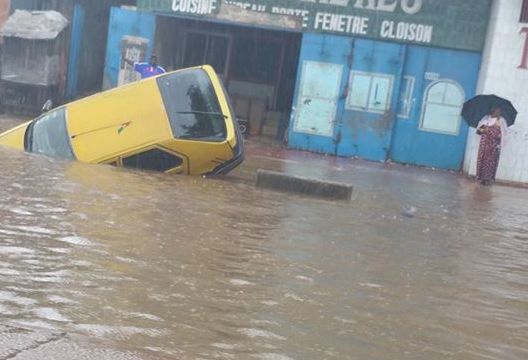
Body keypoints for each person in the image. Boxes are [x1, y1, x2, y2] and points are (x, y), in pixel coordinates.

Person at [475, 107, 508, 185]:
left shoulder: (501, 121)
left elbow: (504, 134)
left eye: (499, 111)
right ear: (492, 112)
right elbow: (478, 132)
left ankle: (488, 179)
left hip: (493, 146)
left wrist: (497, 135)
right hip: (484, 145)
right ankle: (481, 178)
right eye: (496, 111)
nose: (498, 113)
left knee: (491, 162)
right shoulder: (486, 120)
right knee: (482, 160)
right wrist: (484, 129)